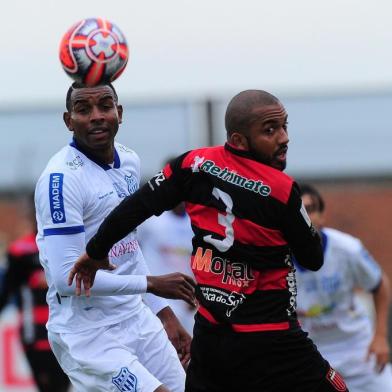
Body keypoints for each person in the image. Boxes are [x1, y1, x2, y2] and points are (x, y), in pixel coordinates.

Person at [69, 89, 350, 391]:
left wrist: (96, 249)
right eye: (270, 130)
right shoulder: (281, 190)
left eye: (284, 126)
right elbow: (313, 259)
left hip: (212, 336)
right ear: (239, 140)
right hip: (272, 338)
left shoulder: (192, 164)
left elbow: (138, 205)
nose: (284, 138)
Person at [34, 82, 197, 392]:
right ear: (69, 121)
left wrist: (163, 313)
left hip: (136, 317)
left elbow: (129, 249)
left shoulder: (129, 162)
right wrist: (152, 283)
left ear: (119, 113)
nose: (96, 116)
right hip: (88, 334)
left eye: (105, 106)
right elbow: (67, 281)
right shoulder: (61, 179)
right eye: (83, 110)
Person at [296, 183, 392, 392]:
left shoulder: (348, 249)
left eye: (310, 210)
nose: (306, 219)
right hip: (309, 354)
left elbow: (379, 285)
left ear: (322, 216)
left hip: (357, 350)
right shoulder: (275, 257)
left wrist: (380, 337)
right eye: (299, 212)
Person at [0, 195, 70, 392]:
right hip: (35, 334)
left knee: (61, 387)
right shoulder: (20, 251)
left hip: (68, 333)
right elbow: (6, 292)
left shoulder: (68, 247)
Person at [138, 160, 196, 336]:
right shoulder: (150, 220)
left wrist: (197, 291)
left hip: (190, 304)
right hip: (157, 302)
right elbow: (134, 252)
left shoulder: (198, 222)